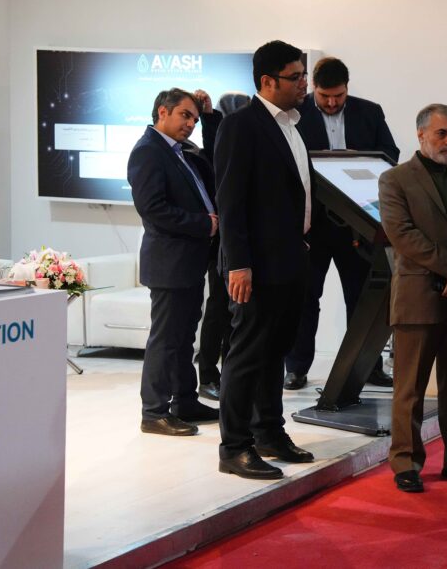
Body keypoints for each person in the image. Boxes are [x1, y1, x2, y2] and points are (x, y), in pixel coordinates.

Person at [214, 40, 317, 479]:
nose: (304, 84)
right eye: (295, 77)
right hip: (256, 266)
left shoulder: (292, 125)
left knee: (275, 352)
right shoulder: (241, 125)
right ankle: (234, 447)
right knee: (246, 356)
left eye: (303, 75)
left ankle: (269, 432)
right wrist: (239, 264)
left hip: (290, 260)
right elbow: (231, 200)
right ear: (267, 81)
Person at [378, 103, 447, 493]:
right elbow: (403, 235)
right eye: (442, 133)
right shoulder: (394, 179)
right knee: (410, 388)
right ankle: (406, 461)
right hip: (418, 296)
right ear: (421, 134)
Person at [285, 57, 400, 390]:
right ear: (313, 88)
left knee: (363, 299)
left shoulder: (370, 112)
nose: (333, 103)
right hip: (312, 224)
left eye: (339, 96)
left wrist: (358, 158)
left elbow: (390, 156)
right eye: (325, 96)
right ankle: (296, 367)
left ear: (348, 88)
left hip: (358, 225)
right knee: (305, 298)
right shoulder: (295, 113)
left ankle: (369, 367)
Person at [127, 88, 220, 436]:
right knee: (165, 339)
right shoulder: (148, 151)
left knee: (183, 337)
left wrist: (209, 117)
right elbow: (153, 209)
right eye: (185, 115)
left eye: (194, 118)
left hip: (189, 260)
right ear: (162, 112)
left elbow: (215, 161)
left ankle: (184, 401)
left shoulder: (181, 151)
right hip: (169, 261)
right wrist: (203, 224)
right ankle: (154, 412)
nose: (190, 124)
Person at [193, 90, 249, 401]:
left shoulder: (248, 146)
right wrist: (208, 115)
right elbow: (214, 145)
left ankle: (229, 372)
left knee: (234, 310)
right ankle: (208, 375)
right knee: (218, 308)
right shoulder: (213, 151)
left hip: (240, 240)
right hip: (220, 242)